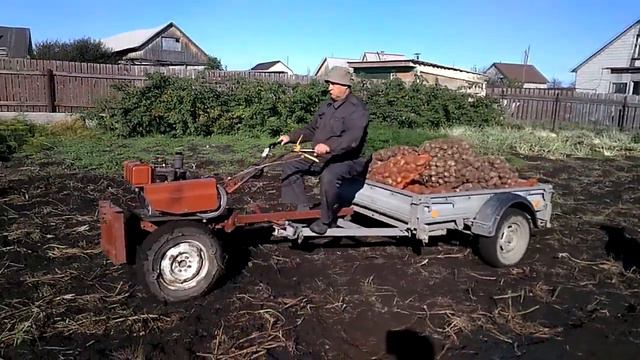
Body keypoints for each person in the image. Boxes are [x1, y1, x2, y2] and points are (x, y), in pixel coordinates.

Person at [278, 66, 370, 235]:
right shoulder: (327, 106)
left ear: (345, 86)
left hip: (348, 159)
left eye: (333, 84)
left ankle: (326, 220)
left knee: (329, 175)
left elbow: (352, 139)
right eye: (329, 84)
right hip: (322, 156)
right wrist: (290, 137)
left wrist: (329, 146)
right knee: (289, 164)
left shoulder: (357, 109)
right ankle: (303, 208)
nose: (329, 88)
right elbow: (312, 129)